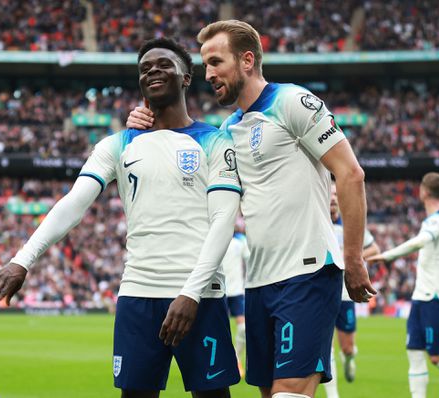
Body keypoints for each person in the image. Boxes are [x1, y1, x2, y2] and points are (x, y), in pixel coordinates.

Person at [0, 38, 241, 398]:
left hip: (200, 295)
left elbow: (224, 219)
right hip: (137, 293)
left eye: (163, 65)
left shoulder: (215, 141)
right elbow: (73, 203)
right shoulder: (116, 144)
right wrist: (22, 261)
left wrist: (191, 293)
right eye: (145, 68)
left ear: (186, 77)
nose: (152, 71)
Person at [127, 19, 375, 398]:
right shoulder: (228, 130)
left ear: (246, 60)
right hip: (258, 281)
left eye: (216, 62)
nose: (208, 74)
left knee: (289, 393)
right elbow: (189, 167)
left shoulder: (292, 101)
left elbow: (350, 173)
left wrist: (353, 258)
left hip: (307, 271)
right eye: (205, 65)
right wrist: (144, 127)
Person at [366, 172, 439, 398]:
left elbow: (421, 241)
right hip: (422, 296)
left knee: (436, 356)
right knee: (414, 351)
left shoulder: (437, 220)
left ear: (424, 191)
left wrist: (388, 256)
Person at [322, 183, 380, 398]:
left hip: (347, 293)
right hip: (323, 291)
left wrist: (354, 255)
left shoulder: (350, 224)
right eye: (330, 193)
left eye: (337, 194)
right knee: (325, 344)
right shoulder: (317, 221)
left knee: (347, 347)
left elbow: (375, 248)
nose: (333, 198)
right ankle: (333, 394)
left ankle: (349, 358)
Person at [221, 224, 250, 378]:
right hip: (220, 293)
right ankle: (227, 362)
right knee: (222, 331)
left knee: (243, 329)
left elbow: (251, 261)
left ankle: (236, 357)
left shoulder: (240, 242)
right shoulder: (215, 242)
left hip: (237, 292)